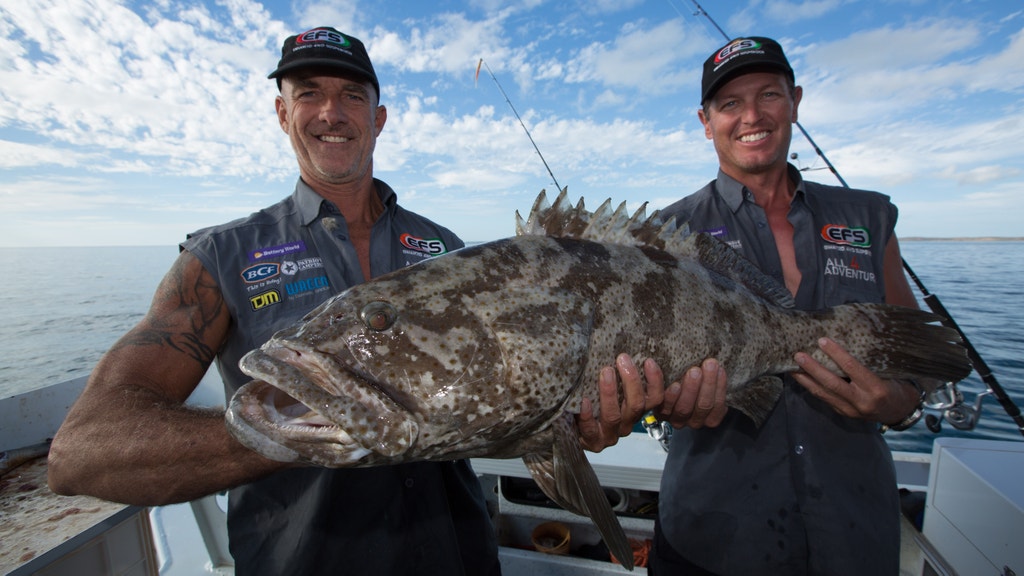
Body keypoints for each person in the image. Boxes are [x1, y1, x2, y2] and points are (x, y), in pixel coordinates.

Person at [46, 26, 659, 575]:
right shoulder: (219, 258)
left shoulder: (446, 248)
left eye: (352, 95)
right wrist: (285, 430)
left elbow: (506, 406)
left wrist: (572, 423)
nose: (331, 112)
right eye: (309, 93)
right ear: (282, 113)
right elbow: (81, 452)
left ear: (379, 117)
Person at [647, 37, 927, 575]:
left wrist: (898, 403)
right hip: (713, 537)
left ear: (794, 102)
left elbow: (918, 351)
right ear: (706, 122)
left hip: (855, 533)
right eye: (730, 103)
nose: (752, 116)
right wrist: (667, 404)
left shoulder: (867, 218)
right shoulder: (666, 235)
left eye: (769, 95)